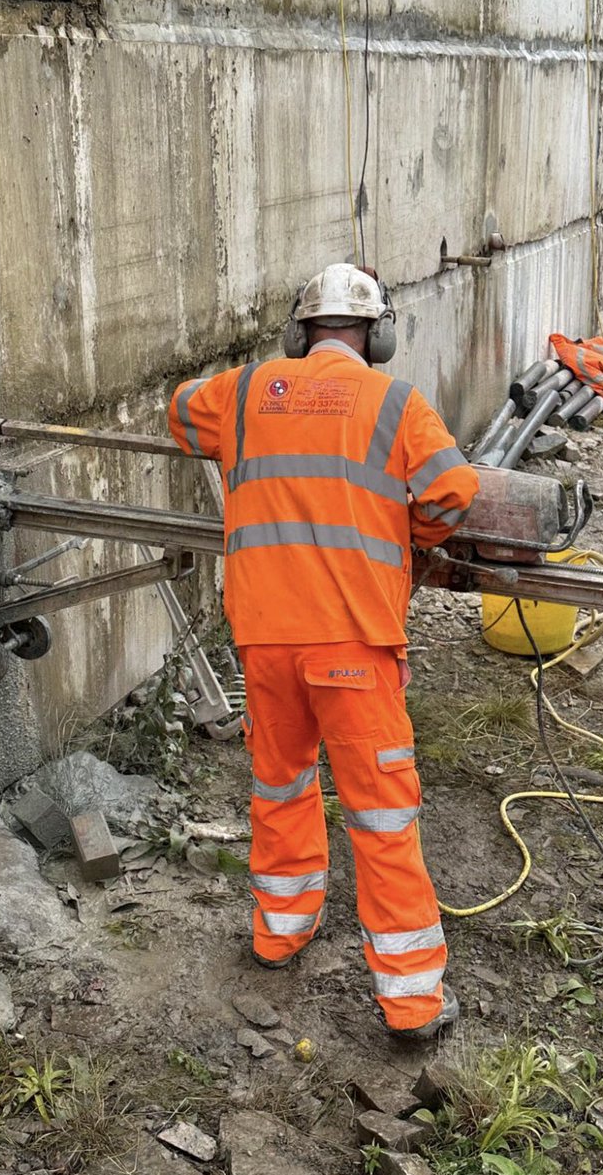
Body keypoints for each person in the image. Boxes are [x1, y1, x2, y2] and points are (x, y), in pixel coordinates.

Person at [168, 263, 479, 1037]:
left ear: (297, 333)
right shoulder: (395, 403)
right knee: (380, 816)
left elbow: (179, 417)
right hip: (353, 643)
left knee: (280, 786)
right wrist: (410, 536)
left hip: (265, 639)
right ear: (379, 335)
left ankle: (280, 932)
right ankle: (411, 1004)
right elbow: (451, 493)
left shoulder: (243, 392)